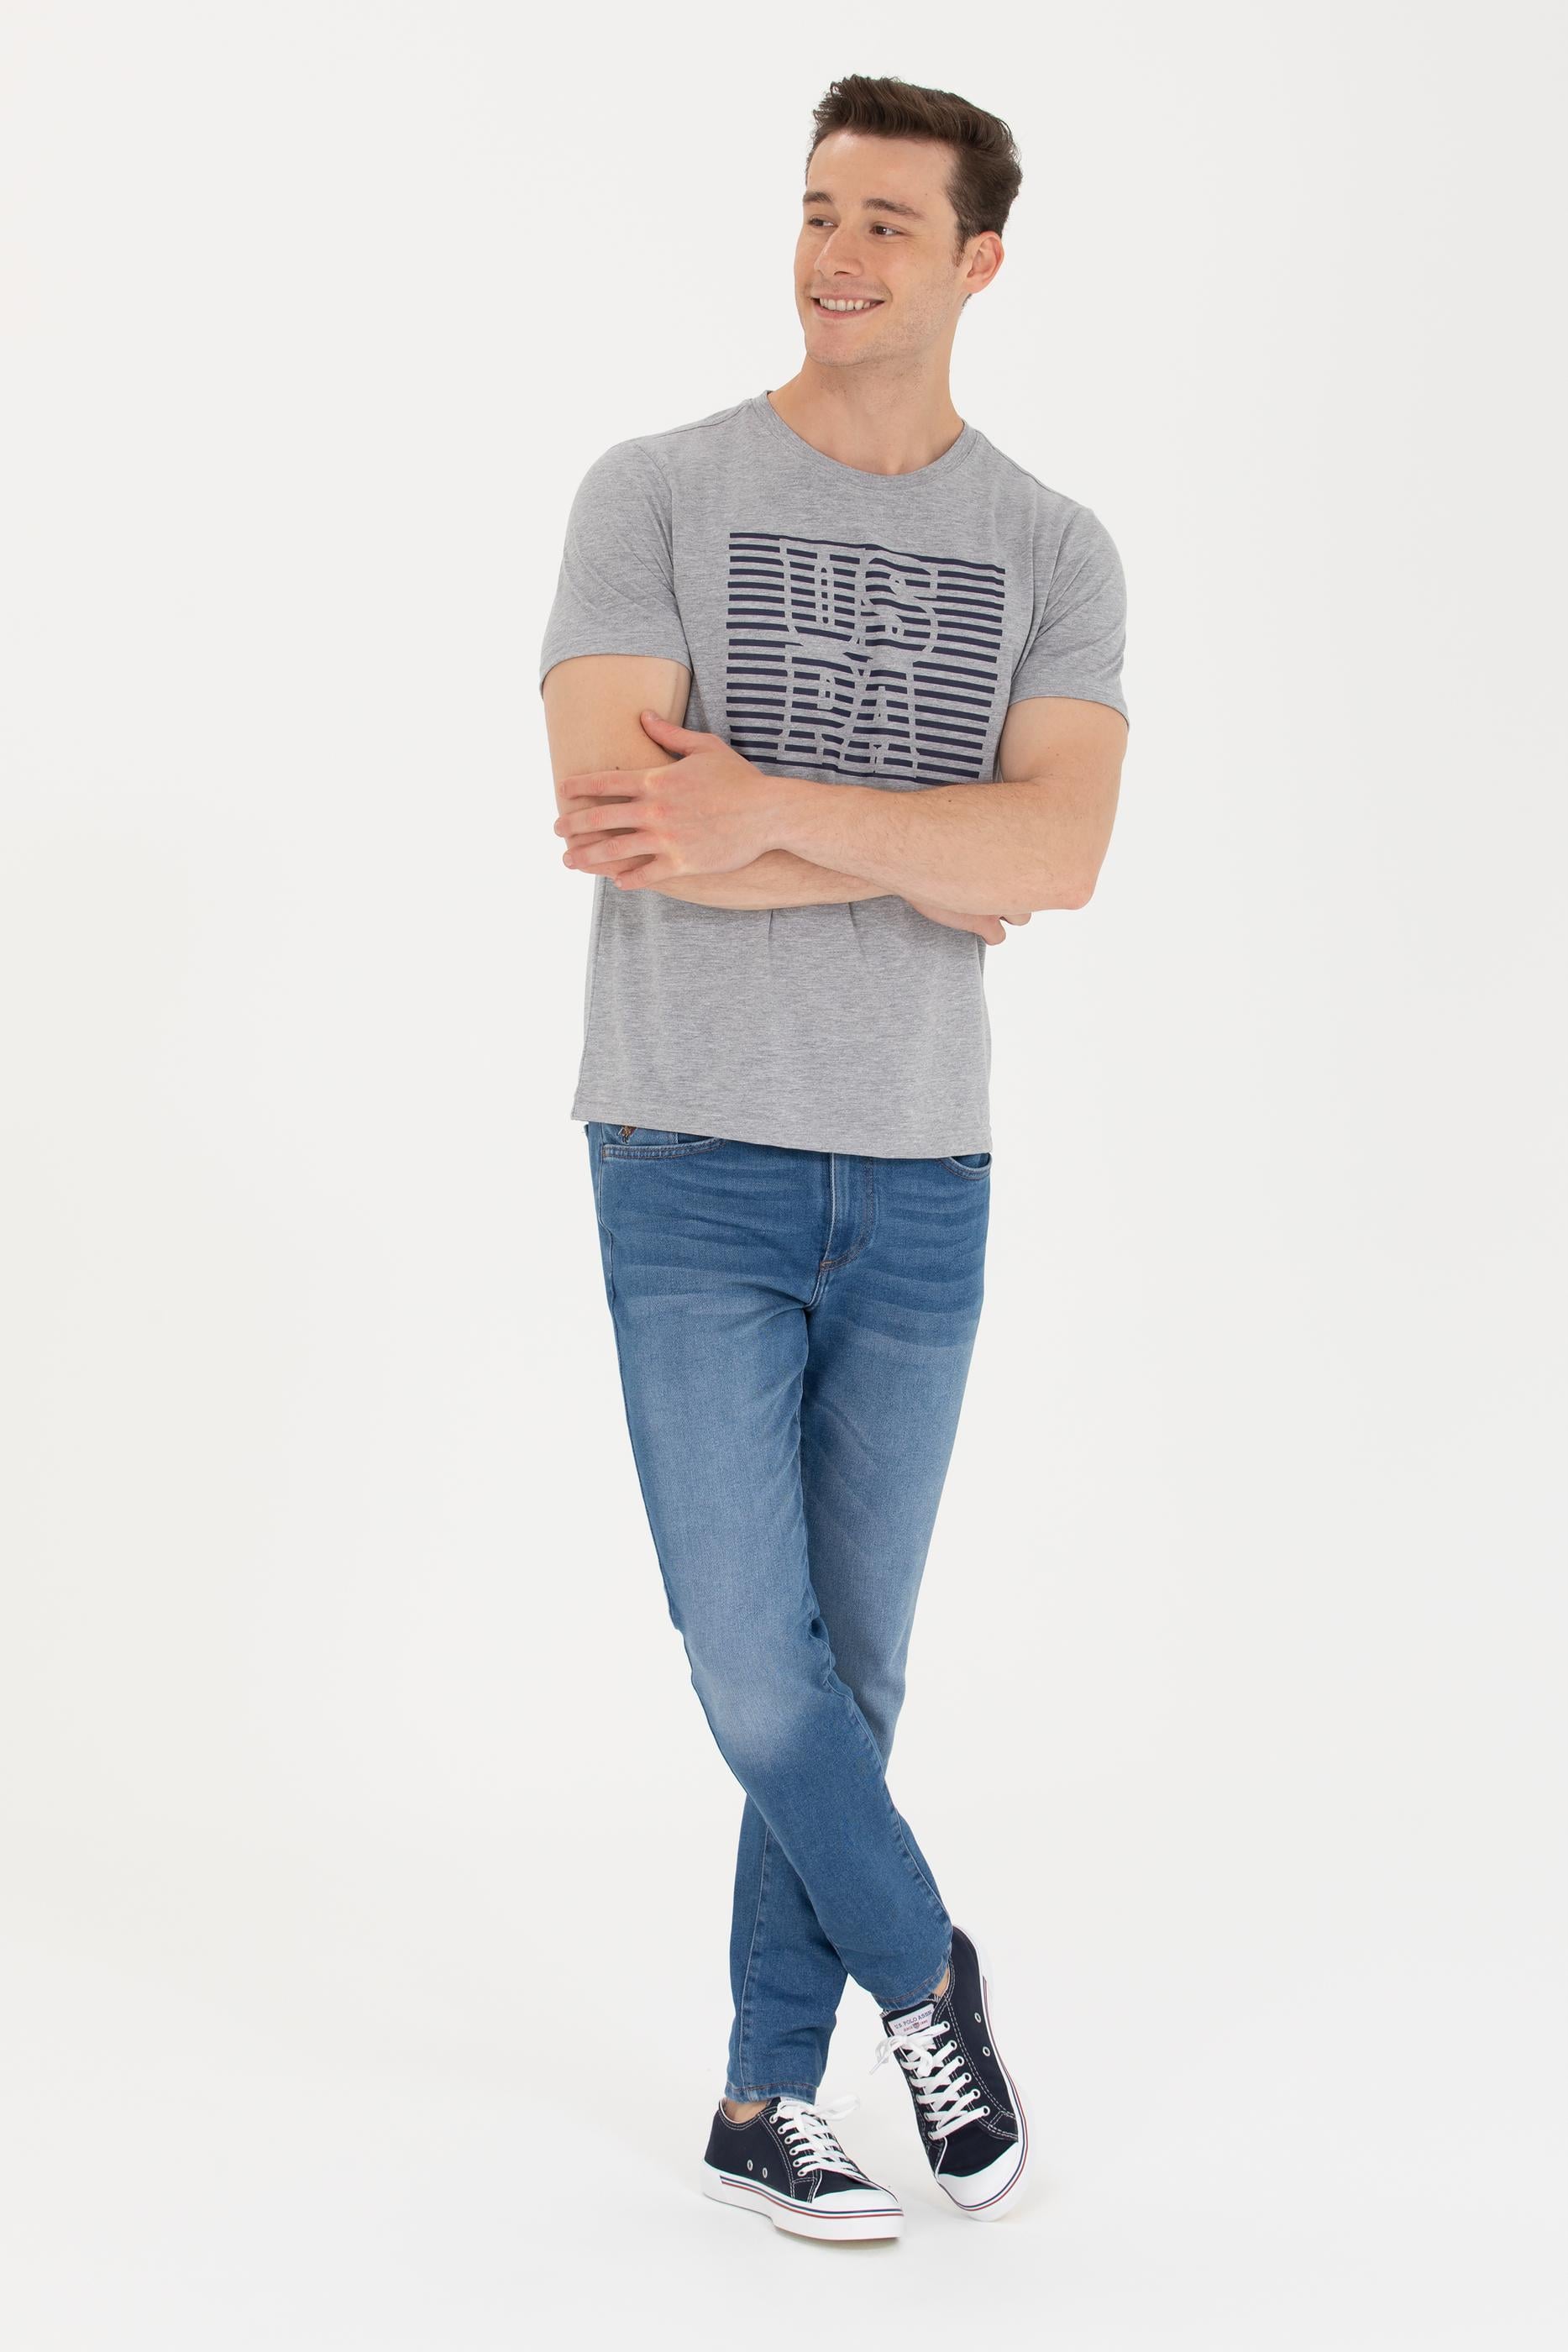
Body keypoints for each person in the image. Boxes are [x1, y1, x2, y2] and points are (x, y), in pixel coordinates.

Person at [538, 71, 1129, 2242]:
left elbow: (1063, 851)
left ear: (980, 261)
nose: (835, 253)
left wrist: (772, 812)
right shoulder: (655, 493)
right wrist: (930, 856)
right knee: (754, 1670)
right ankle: (925, 1975)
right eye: (815, 209)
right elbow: (625, 821)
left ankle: (759, 2099)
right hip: (685, 1146)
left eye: (886, 221)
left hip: (920, 1170)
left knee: (853, 1675)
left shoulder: (1053, 550)